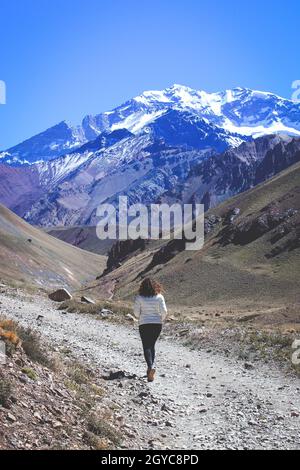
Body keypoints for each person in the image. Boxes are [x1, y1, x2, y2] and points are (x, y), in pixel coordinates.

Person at [134, 278, 167, 382]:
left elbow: (136, 313)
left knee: (146, 345)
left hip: (144, 324)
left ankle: (150, 367)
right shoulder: (159, 297)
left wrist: (141, 317)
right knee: (152, 345)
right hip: (157, 324)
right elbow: (164, 311)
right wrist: (160, 319)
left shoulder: (139, 298)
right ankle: (150, 369)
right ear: (155, 286)